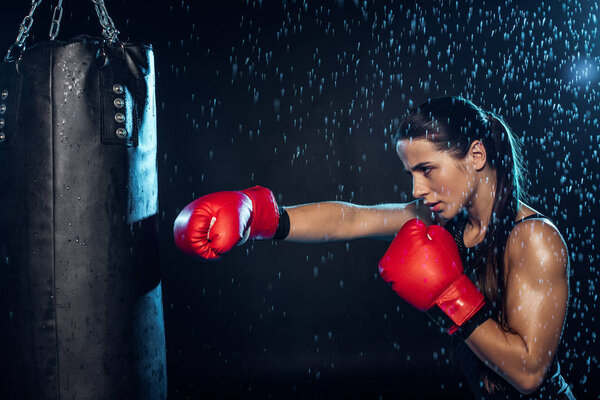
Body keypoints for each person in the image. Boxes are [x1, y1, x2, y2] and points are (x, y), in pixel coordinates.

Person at [173, 96, 575, 399]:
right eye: (411, 173)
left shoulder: (534, 238)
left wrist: (452, 296)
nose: (417, 189)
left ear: (476, 155)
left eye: (427, 169)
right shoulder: (442, 220)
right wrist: (264, 217)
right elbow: (352, 218)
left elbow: (528, 374)